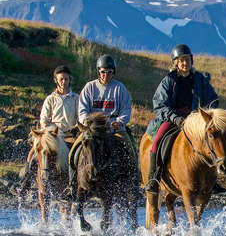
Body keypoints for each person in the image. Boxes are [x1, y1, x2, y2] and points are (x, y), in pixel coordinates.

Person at [143, 44, 221, 195]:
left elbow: (213, 99)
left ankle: (214, 180)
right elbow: (159, 104)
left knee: (212, 141)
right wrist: (175, 118)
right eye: (181, 60)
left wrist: (204, 115)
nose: (185, 63)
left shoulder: (200, 79)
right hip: (173, 119)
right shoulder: (168, 80)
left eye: (187, 60)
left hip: (195, 121)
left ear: (192, 61)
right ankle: (154, 178)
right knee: (157, 143)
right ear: (176, 63)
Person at [60, 54, 137, 202]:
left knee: (131, 149)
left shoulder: (120, 88)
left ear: (113, 72)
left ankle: (134, 184)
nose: (106, 75)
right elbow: (82, 111)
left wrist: (120, 122)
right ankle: (71, 186)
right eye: (103, 71)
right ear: (98, 72)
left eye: (109, 72)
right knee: (73, 153)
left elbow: (126, 110)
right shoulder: (89, 88)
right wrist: (89, 123)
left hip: (113, 129)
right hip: (92, 130)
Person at [12, 65, 79, 197]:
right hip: (52, 135)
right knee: (32, 155)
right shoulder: (51, 99)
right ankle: (24, 184)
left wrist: (76, 127)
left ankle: (75, 186)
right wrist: (49, 131)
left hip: (70, 135)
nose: (64, 82)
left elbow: (80, 117)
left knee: (78, 157)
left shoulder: (76, 98)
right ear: (56, 80)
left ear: (69, 80)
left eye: (66, 79)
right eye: (61, 79)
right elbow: (43, 119)